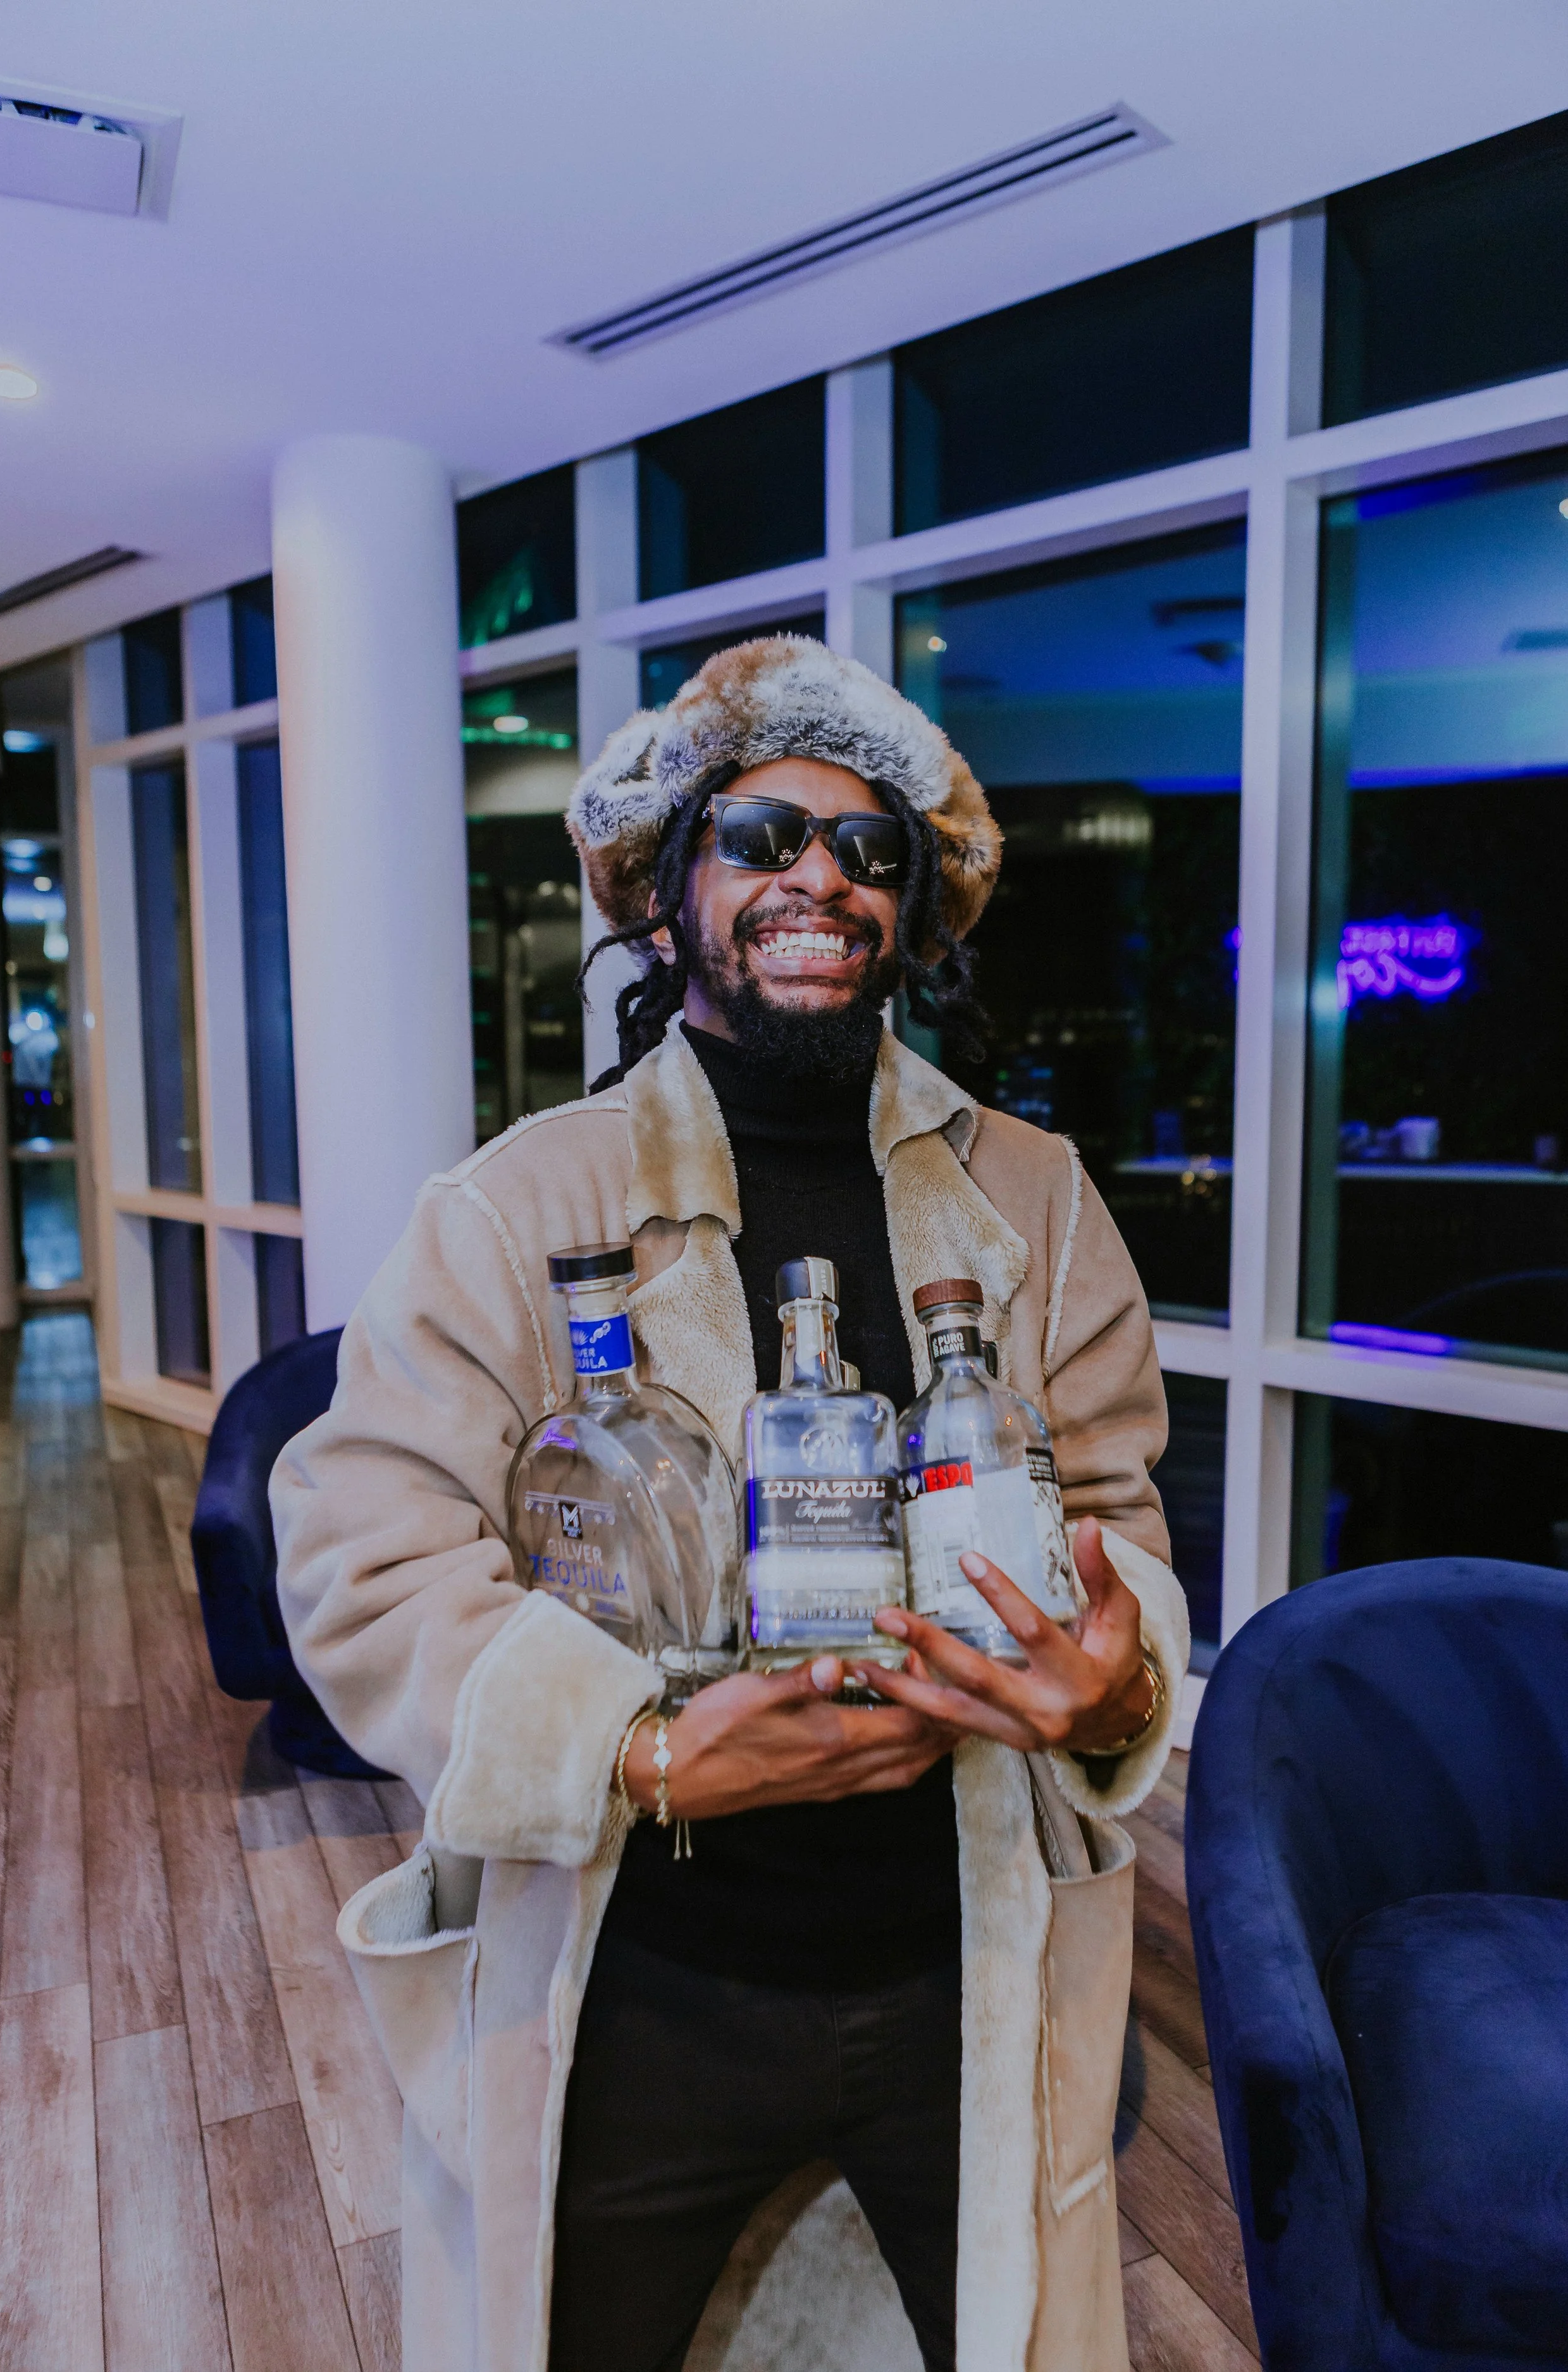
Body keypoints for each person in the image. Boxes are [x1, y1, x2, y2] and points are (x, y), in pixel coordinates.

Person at [274, 636, 1189, 2372]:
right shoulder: (515, 1204)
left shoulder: (1039, 1198)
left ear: (911, 913)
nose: (818, 878)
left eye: (868, 851)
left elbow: (1115, 1510)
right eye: (762, 835)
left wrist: (1118, 1682)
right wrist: (643, 1749)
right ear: (671, 885)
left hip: (962, 1957)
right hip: (647, 1972)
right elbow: (361, 1551)